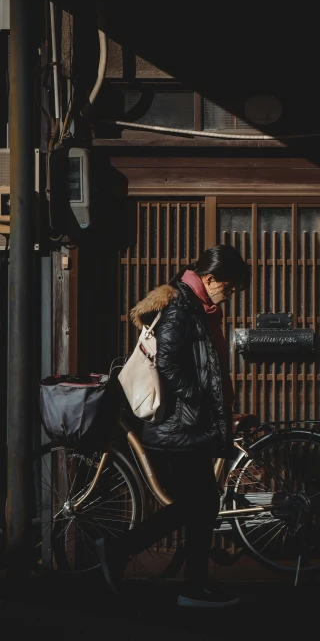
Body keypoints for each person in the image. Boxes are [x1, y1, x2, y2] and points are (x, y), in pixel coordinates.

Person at [96, 244, 250, 608]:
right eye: (228, 287)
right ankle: (135, 558)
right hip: (180, 426)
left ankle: (192, 585)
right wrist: (201, 401)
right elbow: (168, 363)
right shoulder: (182, 306)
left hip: (188, 424)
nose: (229, 295)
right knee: (199, 504)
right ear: (210, 279)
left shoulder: (194, 304)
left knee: (199, 505)